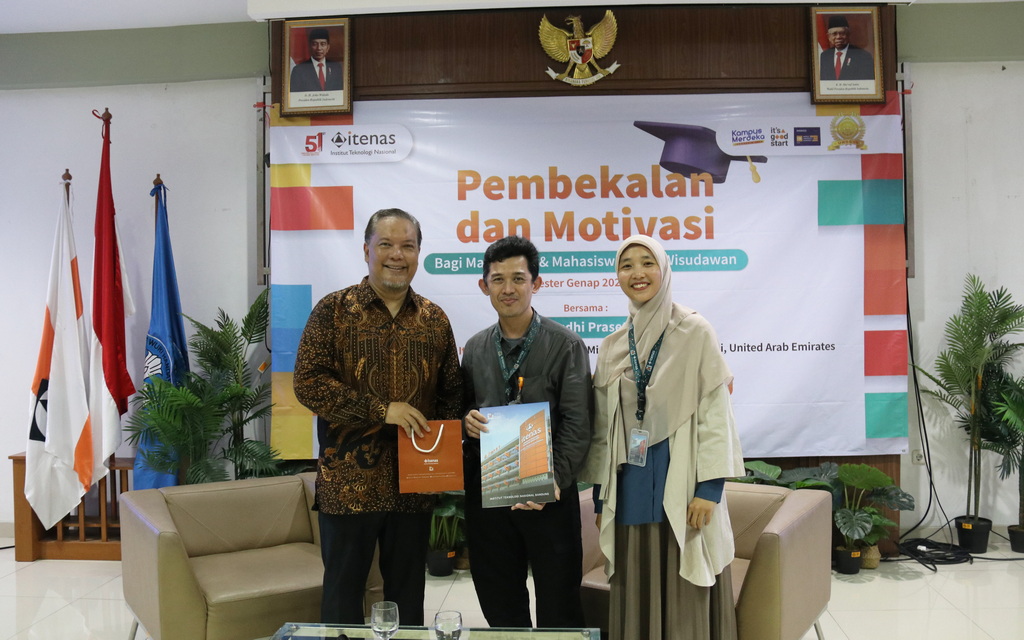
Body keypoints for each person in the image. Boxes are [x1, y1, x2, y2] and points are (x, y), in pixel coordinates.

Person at [292, 208, 463, 625]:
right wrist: (382, 411)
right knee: (342, 594)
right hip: (348, 484)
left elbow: (451, 395)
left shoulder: (435, 320)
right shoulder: (333, 311)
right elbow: (308, 383)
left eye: (407, 246)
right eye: (385, 244)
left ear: (419, 253)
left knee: (409, 594)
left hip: (414, 485)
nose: (396, 255)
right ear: (366, 250)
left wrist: (440, 455)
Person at [580, 234, 744, 640]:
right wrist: (601, 496)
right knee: (637, 584)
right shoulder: (613, 346)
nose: (637, 273)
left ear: (664, 269)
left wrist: (710, 489)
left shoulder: (694, 331)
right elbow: (603, 431)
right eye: (627, 265)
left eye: (647, 262)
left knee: (684, 587)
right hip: (630, 487)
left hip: (684, 484)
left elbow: (716, 415)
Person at [462, 235, 593, 628]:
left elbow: (578, 422)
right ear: (484, 286)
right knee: (500, 602)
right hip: (491, 497)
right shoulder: (475, 348)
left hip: (548, 497)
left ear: (536, 283)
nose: (508, 289)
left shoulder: (566, 345)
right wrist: (467, 421)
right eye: (498, 279)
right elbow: (462, 411)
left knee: (559, 605)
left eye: (518, 278)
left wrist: (554, 480)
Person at [818, 14, 875, 81]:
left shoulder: (863, 56)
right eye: (834, 34)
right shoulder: (824, 56)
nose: (838, 37)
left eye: (842, 33)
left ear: (848, 34)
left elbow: (868, 82)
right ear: (828, 37)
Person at [290, 27, 344, 92]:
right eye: (315, 44)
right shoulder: (298, 70)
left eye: (323, 44)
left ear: (328, 47)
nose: (319, 48)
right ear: (309, 47)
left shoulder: (336, 68)